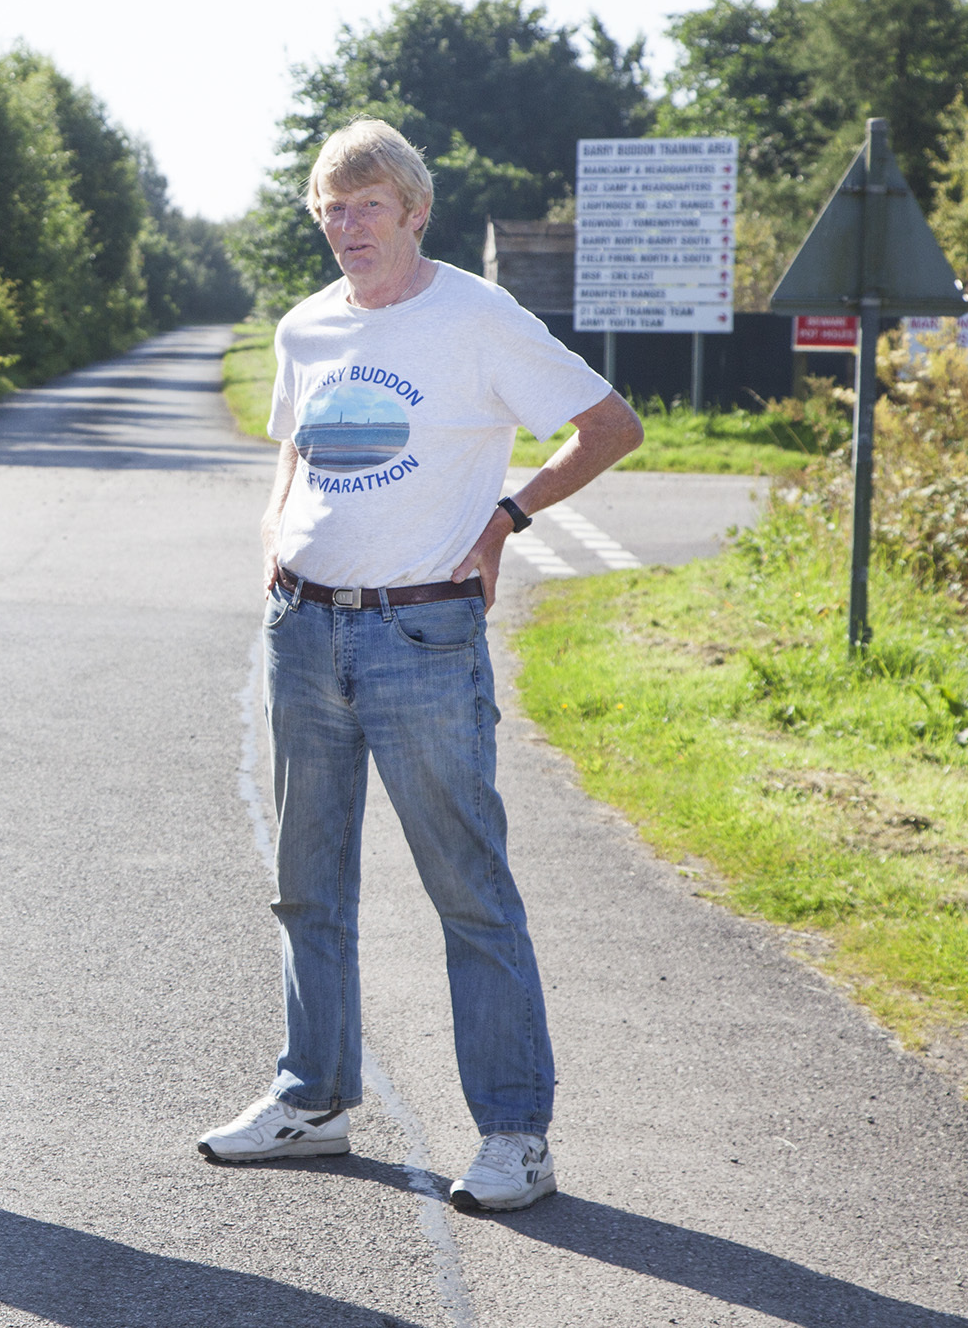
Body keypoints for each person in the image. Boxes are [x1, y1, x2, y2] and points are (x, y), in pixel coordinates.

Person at [196, 118, 643, 1211]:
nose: (346, 227)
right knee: (307, 885)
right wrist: (273, 539)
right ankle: (311, 1099)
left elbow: (609, 426)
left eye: (365, 207)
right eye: (329, 210)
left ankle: (513, 1135)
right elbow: (295, 450)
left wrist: (504, 518)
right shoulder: (304, 329)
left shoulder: (477, 318)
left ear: (412, 212)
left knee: (467, 889)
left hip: (421, 638)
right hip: (302, 630)